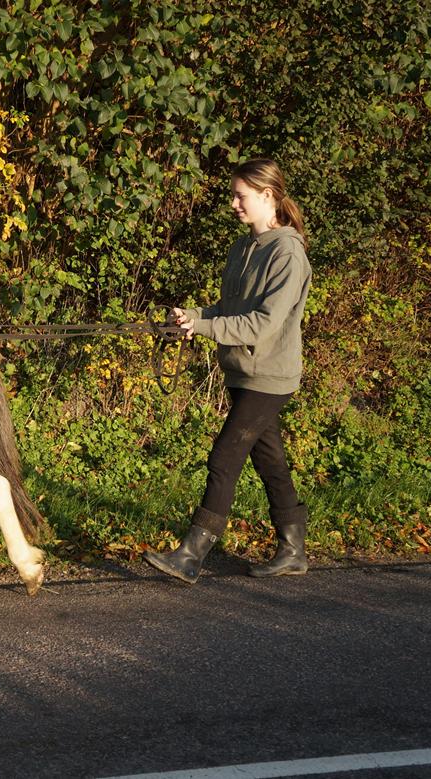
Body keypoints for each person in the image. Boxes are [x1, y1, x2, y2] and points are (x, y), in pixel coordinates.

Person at [145, 158, 312, 584]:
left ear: (268, 196)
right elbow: (231, 310)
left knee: (225, 456)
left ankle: (191, 554)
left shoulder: (287, 253)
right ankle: (293, 550)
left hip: (269, 377)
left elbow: (262, 323)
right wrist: (193, 317)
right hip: (242, 370)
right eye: (234, 195)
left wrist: (202, 327)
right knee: (269, 458)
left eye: (241, 195)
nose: (234, 203)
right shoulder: (243, 248)